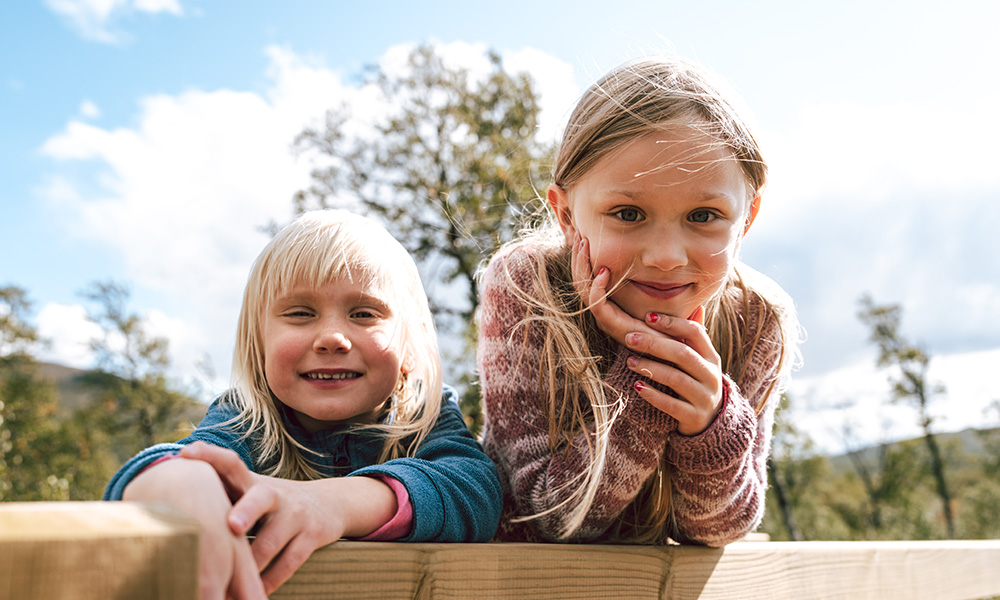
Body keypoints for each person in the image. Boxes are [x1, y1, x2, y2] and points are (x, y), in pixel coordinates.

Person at [477, 56, 802, 546]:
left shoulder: (757, 319)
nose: (667, 257)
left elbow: (720, 529)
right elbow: (548, 517)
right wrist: (647, 375)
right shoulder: (528, 287)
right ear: (566, 214)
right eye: (628, 213)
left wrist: (711, 422)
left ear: (748, 218)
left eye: (704, 214)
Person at [105, 210, 502, 599]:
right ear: (258, 343)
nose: (331, 337)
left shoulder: (423, 414)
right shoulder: (248, 418)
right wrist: (186, 480)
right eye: (300, 314)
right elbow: (159, 470)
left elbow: (477, 491)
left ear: (411, 346)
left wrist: (334, 504)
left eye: (364, 314)